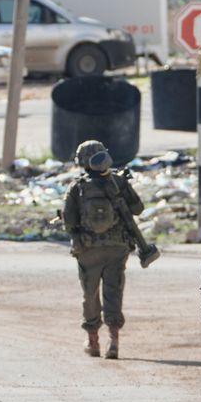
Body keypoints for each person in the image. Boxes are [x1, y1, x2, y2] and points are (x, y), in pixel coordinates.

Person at [62, 140, 145, 359]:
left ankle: (93, 341)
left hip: (88, 249)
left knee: (90, 294)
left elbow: (69, 221)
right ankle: (113, 341)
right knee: (113, 291)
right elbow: (138, 208)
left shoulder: (77, 187)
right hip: (117, 247)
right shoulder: (119, 182)